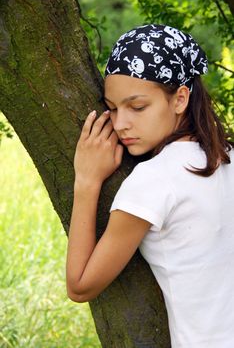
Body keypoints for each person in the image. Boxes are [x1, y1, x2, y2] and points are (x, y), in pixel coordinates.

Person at [66, 24, 234, 347]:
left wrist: (87, 181)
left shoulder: (154, 180)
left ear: (180, 98)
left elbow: (80, 285)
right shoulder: (228, 157)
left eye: (137, 107)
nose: (120, 123)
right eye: (112, 109)